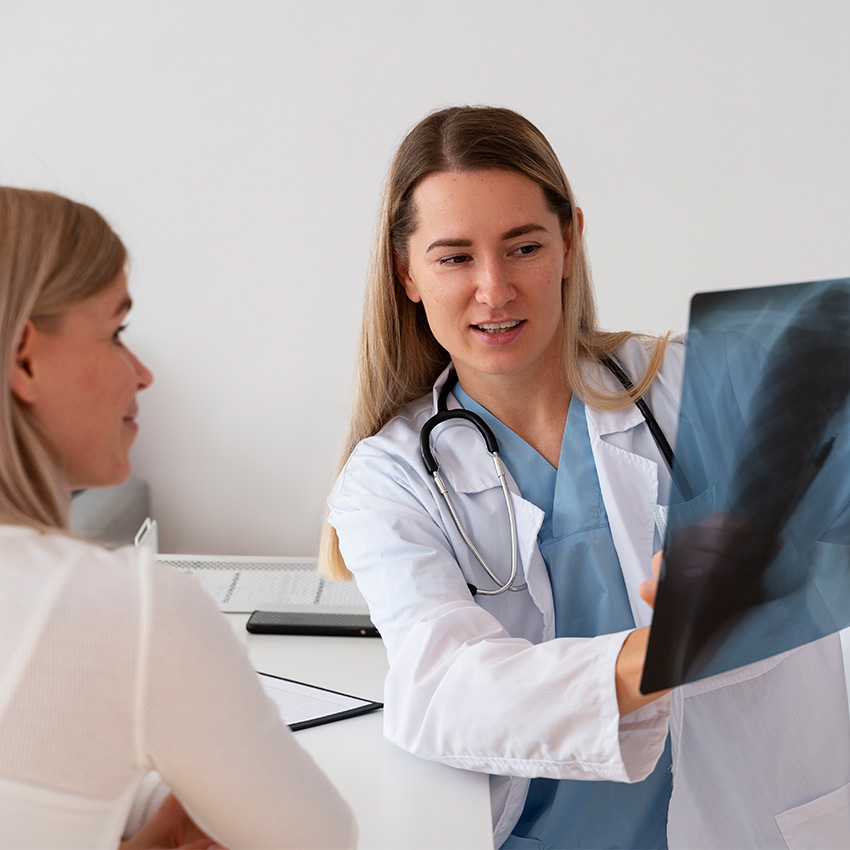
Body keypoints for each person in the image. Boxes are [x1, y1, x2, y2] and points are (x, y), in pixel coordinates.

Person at [320, 106, 850, 848]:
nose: (495, 288)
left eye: (523, 246)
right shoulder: (390, 478)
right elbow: (443, 690)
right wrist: (666, 646)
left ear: (569, 241)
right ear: (405, 272)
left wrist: (780, 543)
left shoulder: (699, 384)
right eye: (454, 257)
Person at [0, 187, 356, 850]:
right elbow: (319, 839)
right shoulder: (131, 611)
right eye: (115, 333)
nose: (142, 374)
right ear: (24, 357)